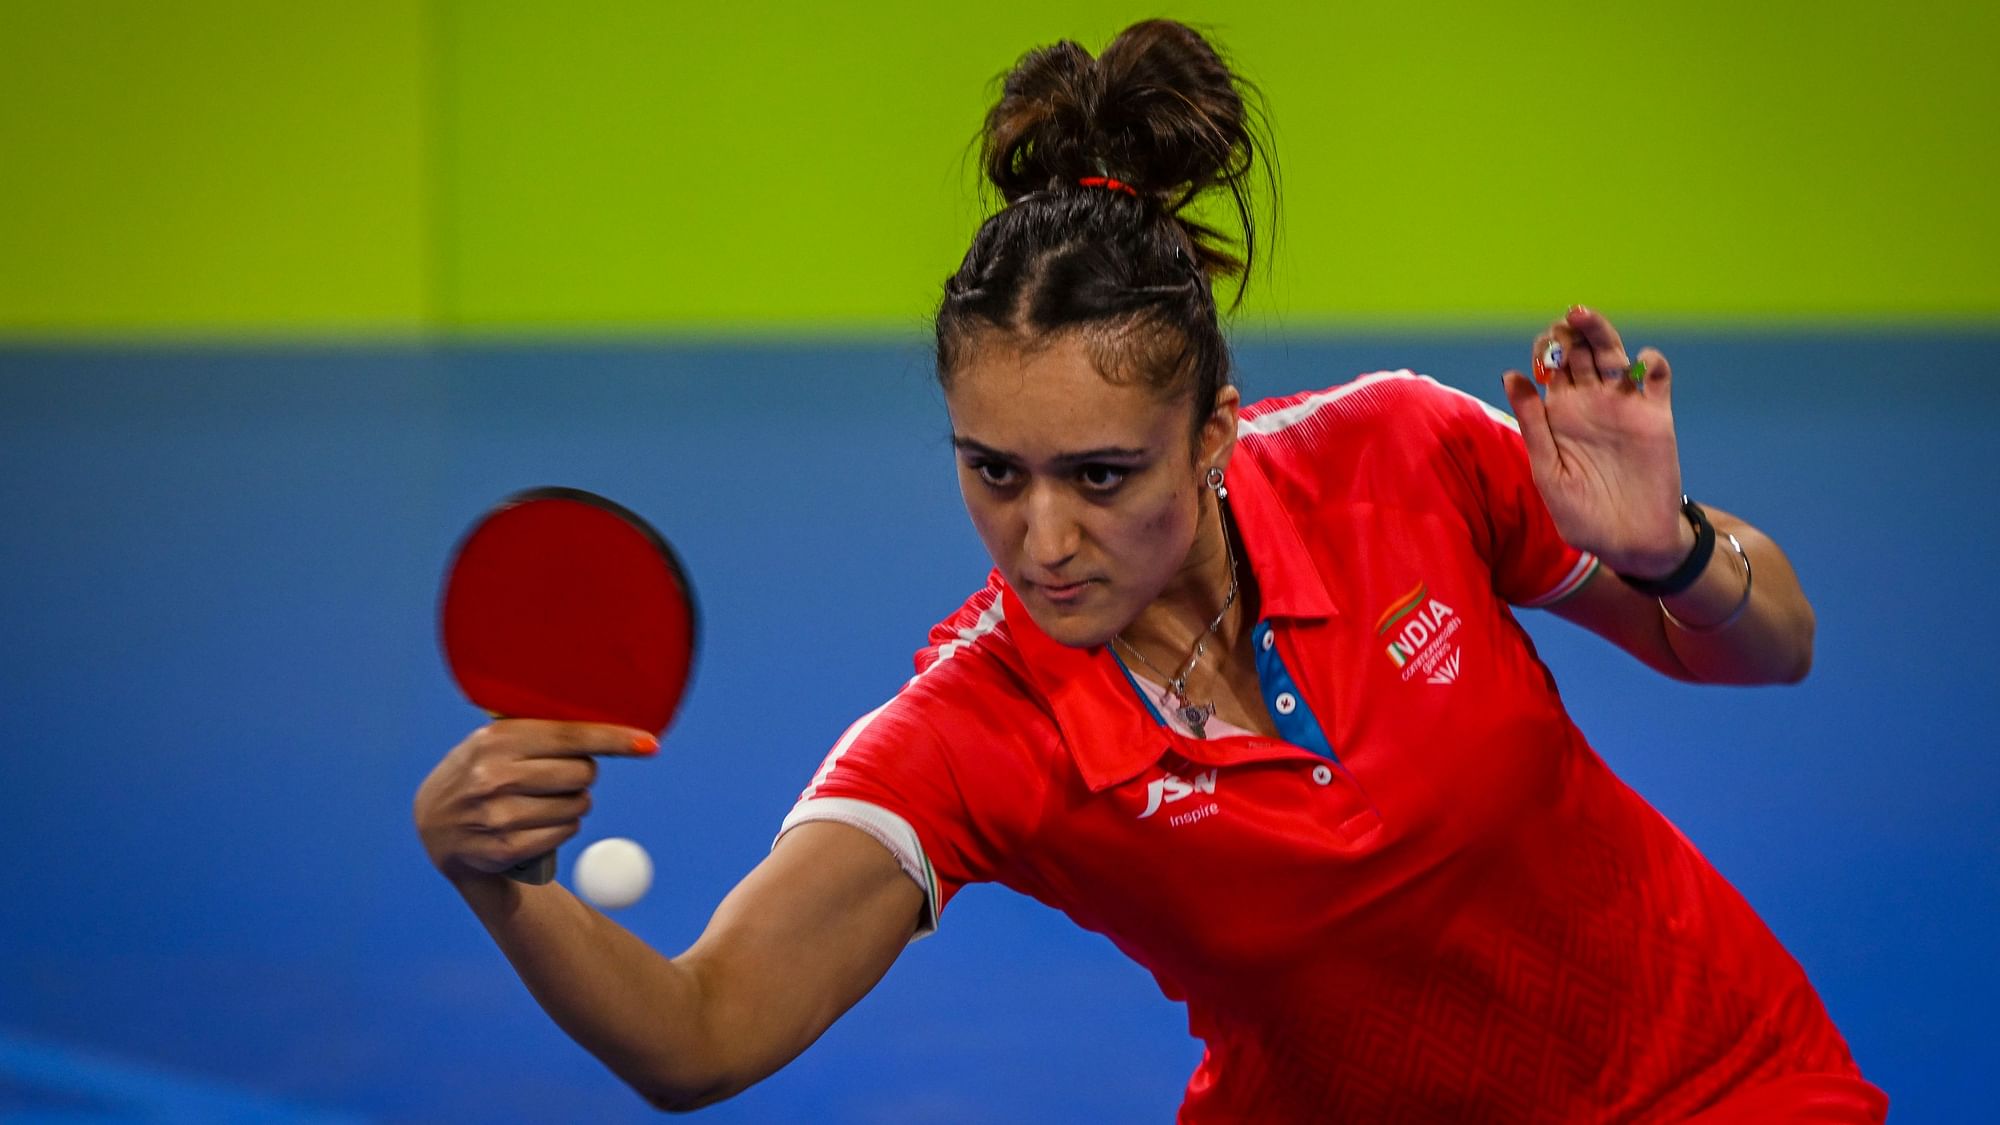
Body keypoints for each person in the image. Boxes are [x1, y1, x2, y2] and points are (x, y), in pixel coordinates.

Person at [413, 19, 1887, 1122]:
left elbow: (1775, 644)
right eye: (993, 470)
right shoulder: (982, 730)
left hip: (1722, 1075)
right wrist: (508, 886)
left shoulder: (1398, 454)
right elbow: (701, 1031)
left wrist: (1674, 552)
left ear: (1216, 435)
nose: (1042, 538)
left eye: (1100, 475)